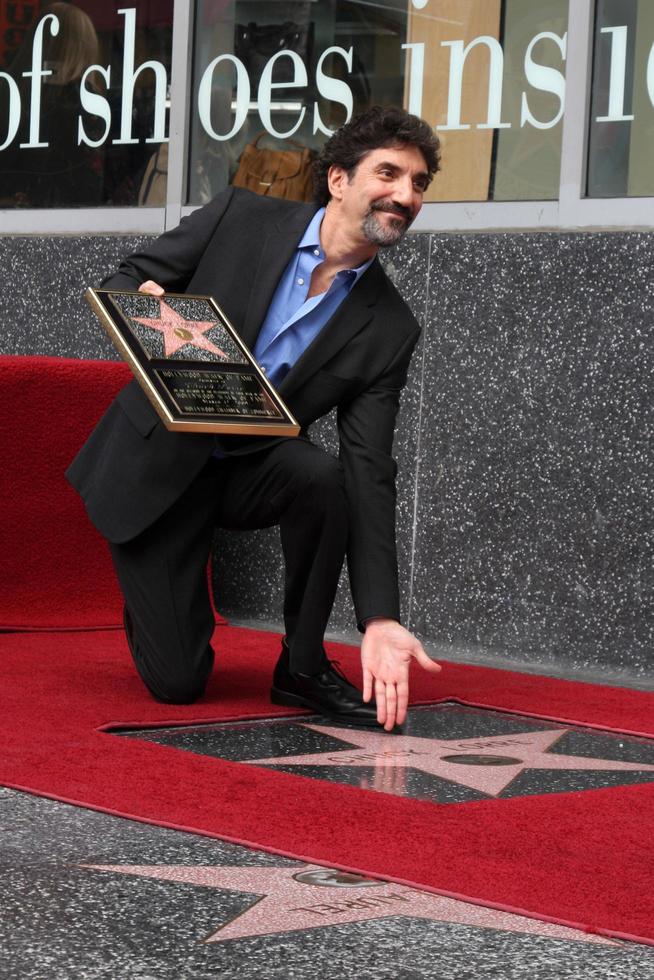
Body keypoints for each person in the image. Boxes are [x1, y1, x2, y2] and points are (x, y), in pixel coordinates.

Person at [67, 105, 443, 731]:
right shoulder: (240, 216)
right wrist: (155, 317)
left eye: (420, 182)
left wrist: (379, 617)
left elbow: (370, 471)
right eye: (389, 173)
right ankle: (159, 584)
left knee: (324, 478)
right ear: (339, 181)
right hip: (156, 463)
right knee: (180, 685)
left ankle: (301, 666)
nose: (405, 194)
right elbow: (130, 278)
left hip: (245, 469)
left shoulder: (390, 327)